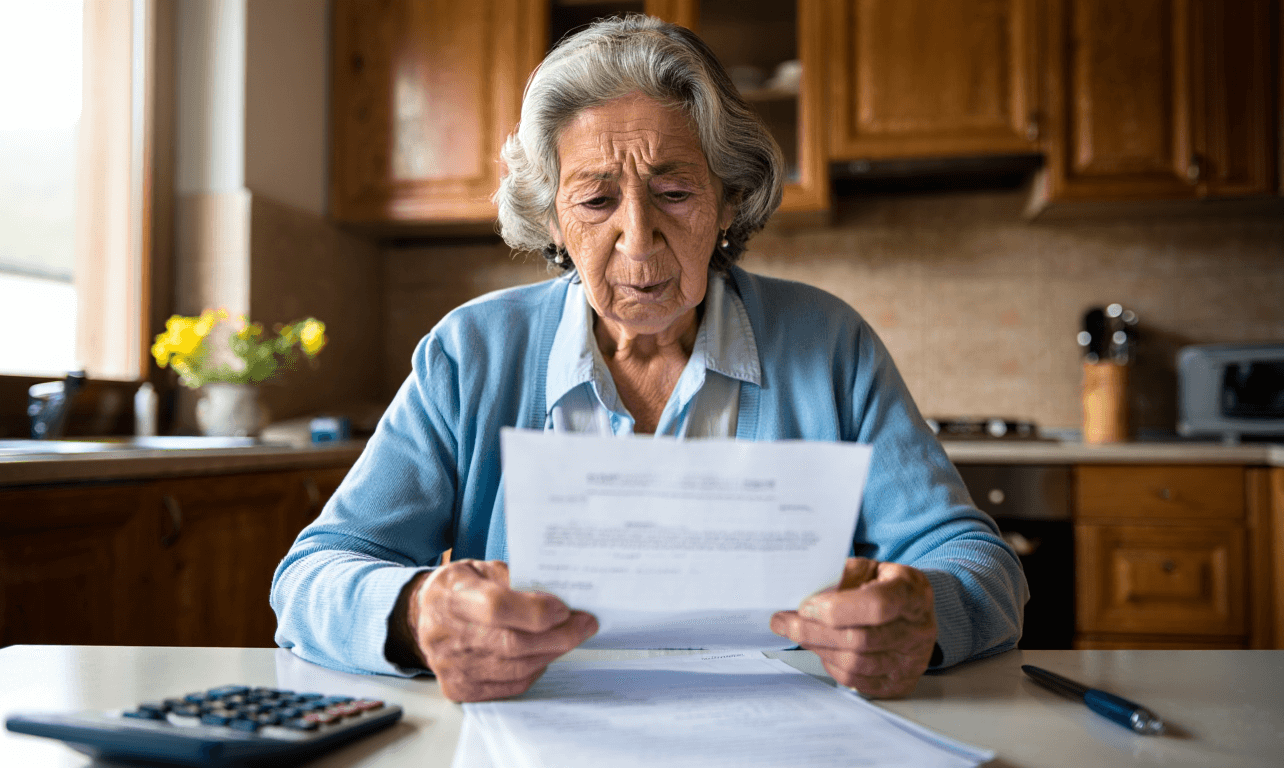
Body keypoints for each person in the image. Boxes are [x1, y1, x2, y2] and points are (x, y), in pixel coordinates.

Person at [271, 15, 1026, 703]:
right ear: (553, 219)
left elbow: (979, 565)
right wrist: (414, 615)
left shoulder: (830, 344)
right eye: (597, 202)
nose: (638, 239)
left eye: (673, 192)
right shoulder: (470, 354)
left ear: (728, 202)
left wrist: (924, 616)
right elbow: (313, 574)